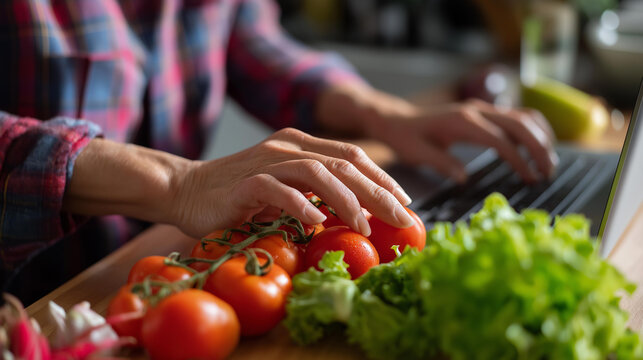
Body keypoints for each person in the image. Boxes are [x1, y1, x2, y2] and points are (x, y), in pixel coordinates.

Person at [0, 0, 557, 303]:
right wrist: (177, 183)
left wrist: (380, 112)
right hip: (29, 305)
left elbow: (250, 39)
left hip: (155, 276)